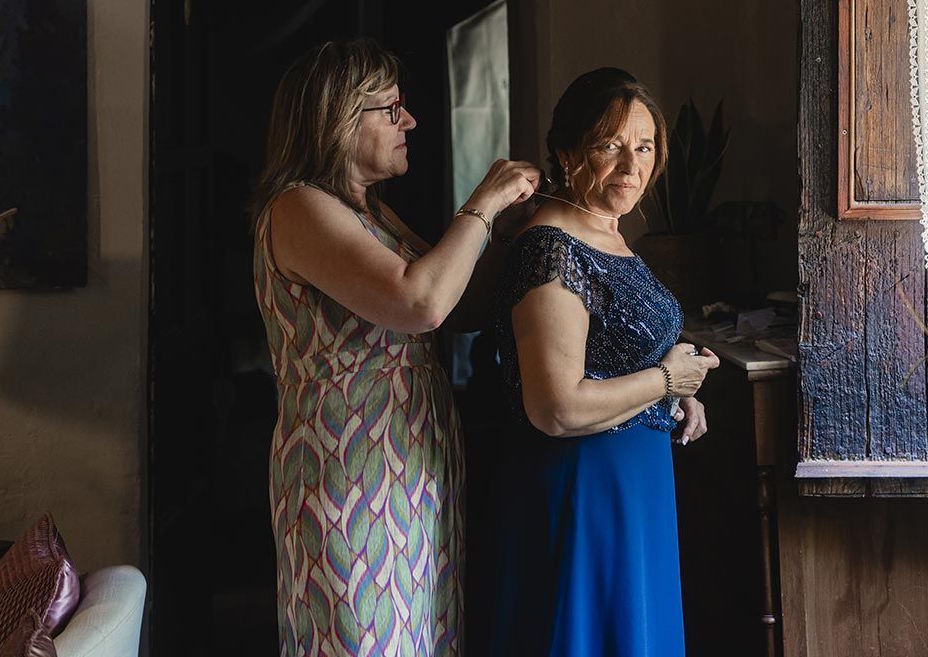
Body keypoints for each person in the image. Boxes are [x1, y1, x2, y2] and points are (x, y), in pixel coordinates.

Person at [250, 37, 539, 656]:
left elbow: (456, 309)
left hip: (411, 465)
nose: (409, 121)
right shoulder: (299, 207)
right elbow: (419, 303)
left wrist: (503, 234)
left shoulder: (373, 214)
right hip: (350, 472)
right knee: (364, 639)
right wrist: (483, 203)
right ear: (336, 119)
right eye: (391, 109)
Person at [487, 67, 719, 656]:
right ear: (568, 154)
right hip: (585, 489)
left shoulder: (605, 232)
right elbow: (556, 407)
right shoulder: (551, 250)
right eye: (609, 145)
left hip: (634, 483)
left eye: (644, 147)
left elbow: (612, 350)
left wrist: (676, 392)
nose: (630, 164)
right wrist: (665, 379)